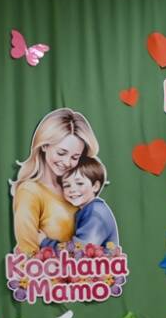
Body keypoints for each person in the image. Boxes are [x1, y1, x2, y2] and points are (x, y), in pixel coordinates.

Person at [10, 108, 100, 254]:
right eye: (61, 153)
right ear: (44, 145)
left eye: (75, 157)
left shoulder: (76, 190)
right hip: (47, 269)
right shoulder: (29, 191)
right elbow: (28, 254)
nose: (67, 162)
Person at [42, 156, 119, 248]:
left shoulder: (95, 212)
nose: (72, 189)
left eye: (79, 183)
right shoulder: (86, 210)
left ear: (95, 186)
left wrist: (44, 242)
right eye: (67, 185)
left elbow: (80, 250)